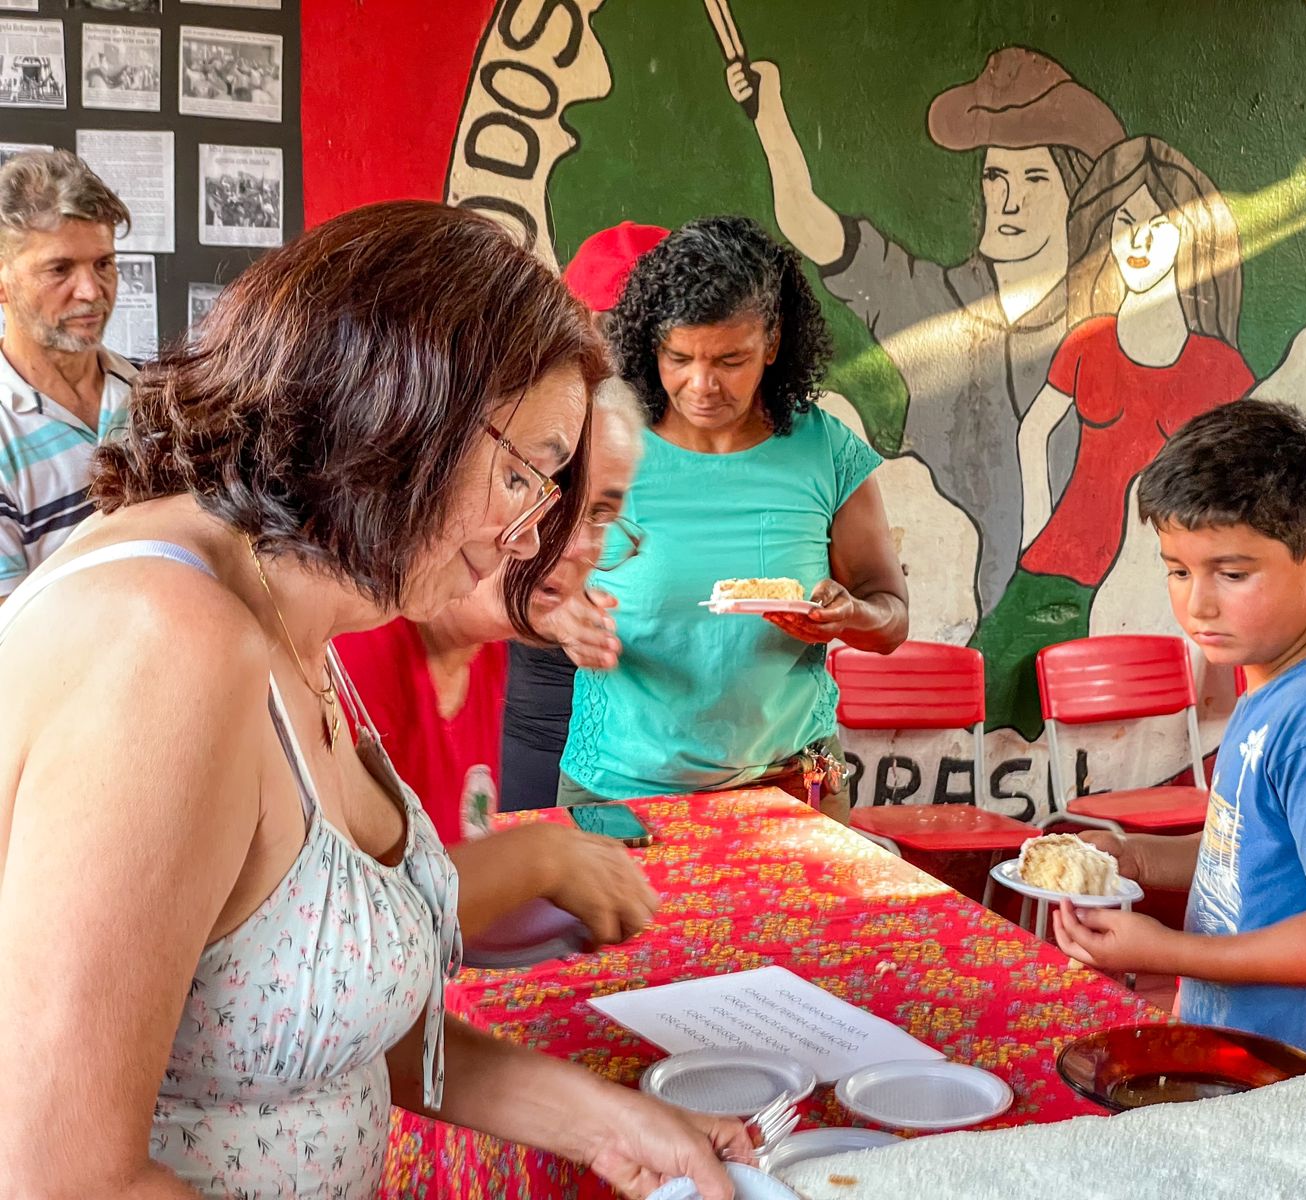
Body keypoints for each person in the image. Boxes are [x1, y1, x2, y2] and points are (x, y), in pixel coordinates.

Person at [0, 201, 746, 1199]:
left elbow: (314, 1015)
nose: (530, 538)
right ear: (397, 413)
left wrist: (614, 1122)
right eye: (525, 475)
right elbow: (62, 1181)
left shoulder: (300, 596)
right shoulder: (166, 645)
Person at [1052, 399, 1306, 1070]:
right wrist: (1137, 856)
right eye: (1178, 569)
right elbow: (1259, 852)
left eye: (1232, 574)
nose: (1197, 603)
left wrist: (1165, 952)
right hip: (1245, 1056)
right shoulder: (1274, 680)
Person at [727, 46, 1124, 616]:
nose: (1008, 200)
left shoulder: (1106, 327)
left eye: (1034, 176)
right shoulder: (931, 302)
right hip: (943, 610)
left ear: (1074, 193)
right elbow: (810, 224)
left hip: (1072, 609)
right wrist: (771, 120)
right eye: (995, 175)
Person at [558, 214, 908, 820]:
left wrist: (850, 616)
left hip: (792, 789)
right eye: (679, 357)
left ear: (772, 344)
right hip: (621, 791)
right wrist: (557, 615)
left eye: (730, 359)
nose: (702, 385)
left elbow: (891, 618)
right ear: (651, 344)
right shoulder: (598, 446)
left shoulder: (826, 452)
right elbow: (510, 585)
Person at [337, 379, 659, 944]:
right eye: (544, 489)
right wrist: (541, 856)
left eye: (603, 514)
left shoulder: (484, 648)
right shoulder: (354, 651)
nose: (580, 545)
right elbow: (349, 942)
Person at [1018, 135, 1253, 585]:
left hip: (1162, 577)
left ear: (1189, 237)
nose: (1138, 241)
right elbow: (1034, 431)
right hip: (1062, 562)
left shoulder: (1221, 367)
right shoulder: (1087, 341)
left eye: (1158, 224)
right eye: (1126, 221)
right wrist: (1035, 532)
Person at [502, 219, 668, 812]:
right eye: (609, 332)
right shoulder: (531, 411)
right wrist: (540, 605)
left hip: (674, 727)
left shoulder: (712, 426)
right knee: (534, 879)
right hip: (548, 698)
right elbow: (466, 559)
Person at [0, 149, 135, 601]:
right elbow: (10, 642)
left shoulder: (152, 394)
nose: (92, 290)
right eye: (60, 269)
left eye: (103, 263)